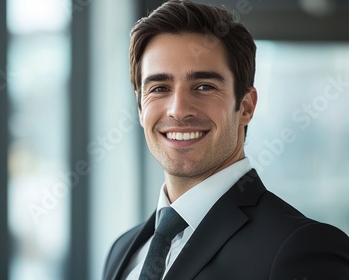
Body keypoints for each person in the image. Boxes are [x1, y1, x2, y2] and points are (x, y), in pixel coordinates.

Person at [102, 1, 349, 279]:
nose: (178, 110)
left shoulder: (304, 248)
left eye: (204, 87)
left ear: (245, 107)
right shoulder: (121, 250)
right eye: (159, 88)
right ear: (140, 109)